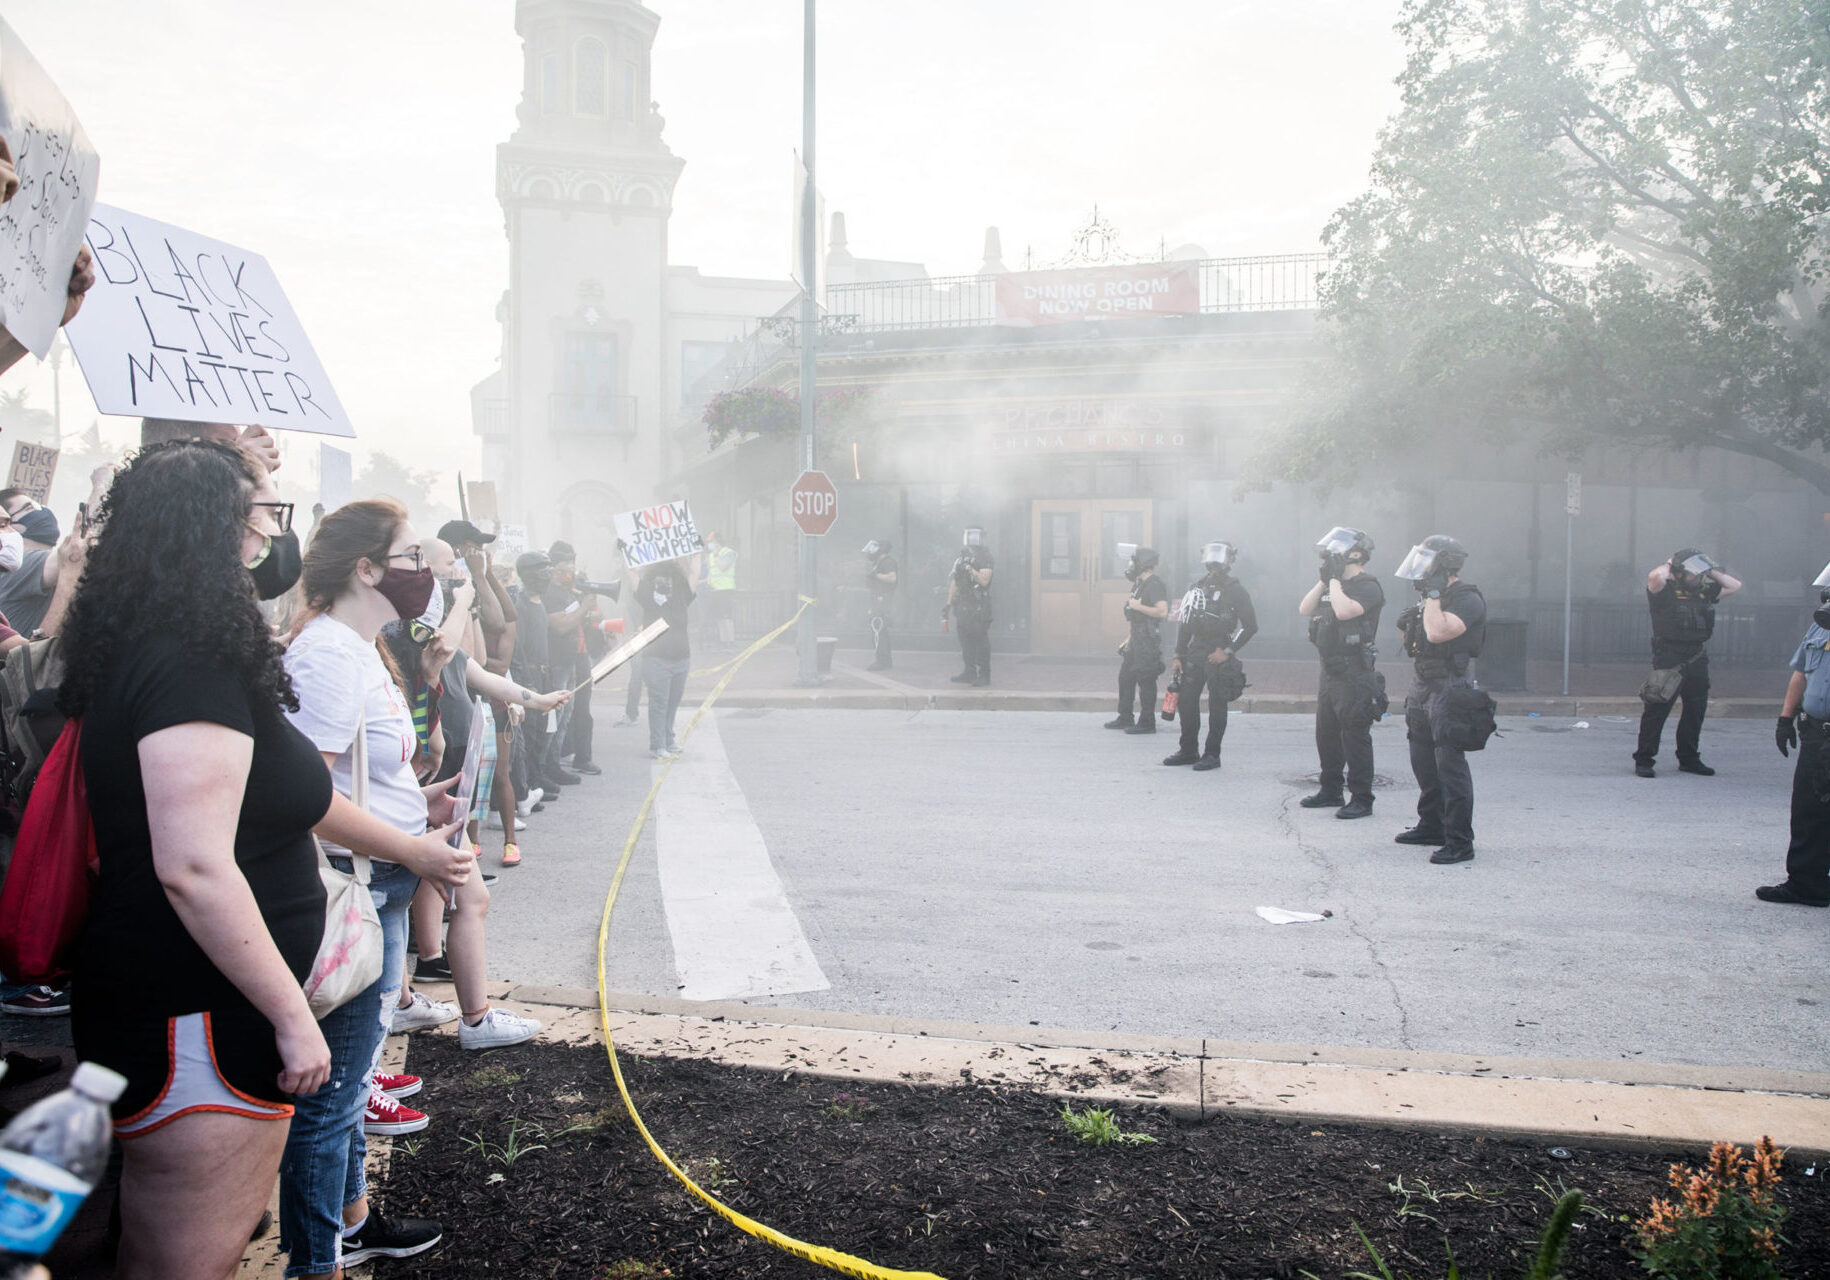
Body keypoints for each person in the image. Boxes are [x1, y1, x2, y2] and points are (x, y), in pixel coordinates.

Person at [59, 440, 330, 1279]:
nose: (269, 537)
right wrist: (292, 1015)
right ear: (220, 527)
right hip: (199, 1019)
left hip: (180, 1010)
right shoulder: (188, 654)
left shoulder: (149, 636)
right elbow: (194, 866)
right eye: (263, 514)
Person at [279, 499, 518, 1277]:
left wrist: (425, 805)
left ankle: (353, 1222)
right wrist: (413, 848)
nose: (431, 570)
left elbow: (366, 776)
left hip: (380, 879)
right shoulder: (327, 655)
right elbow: (305, 794)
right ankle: (316, 1258)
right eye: (414, 556)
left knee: (349, 1085)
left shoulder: (363, 645)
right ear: (368, 569)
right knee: (332, 1097)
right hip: (353, 886)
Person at [1392, 535, 1488, 865]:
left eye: (1427, 561)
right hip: (1423, 684)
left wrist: (1433, 596)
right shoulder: (1430, 598)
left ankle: (1460, 841)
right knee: (1423, 760)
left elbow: (1438, 633)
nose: (1421, 570)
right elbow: (1415, 644)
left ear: (1445, 564)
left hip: (1450, 686)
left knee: (1450, 765)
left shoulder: (1466, 598)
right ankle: (1431, 825)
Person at [1297, 527, 1386, 818]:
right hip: (1330, 671)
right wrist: (1325, 580)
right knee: (1327, 734)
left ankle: (1362, 798)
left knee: (1355, 736)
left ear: (1356, 554)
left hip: (1354, 672)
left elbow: (1346, 612)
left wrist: (1334, 580)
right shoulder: (1331, 584)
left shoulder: (1367, 585)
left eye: (1338, 551)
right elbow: (1305, 608)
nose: (1331, 556)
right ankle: (1330, 790)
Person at [1757, 562, 1830, 908]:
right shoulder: (1820, 628)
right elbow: (1801, 673)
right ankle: (1807, 883)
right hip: (1817, 733)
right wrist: (1786, 718)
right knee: (1809, 809)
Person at [1634, 548, 1742, 778]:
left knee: (1695, 710)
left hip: (1696, 657)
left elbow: (1734, 586)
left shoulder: (1704, 592)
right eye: (1693, 573)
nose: (1698, 577)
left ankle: (1689, 758)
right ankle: (1644, 759)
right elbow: (1655, 577)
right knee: (1657, 708)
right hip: (1669, 657)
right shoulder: (1664, 592)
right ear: (1680, 573)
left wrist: (1708, 569)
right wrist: (1672, 563)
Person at [1164, 542, 1257, 771]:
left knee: (1217, 704)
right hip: (1196, 651)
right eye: (1210, 558)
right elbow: (1184, 623)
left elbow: (1250, 626)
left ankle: (1212, 754)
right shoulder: (1195, 587)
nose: (1213, 563)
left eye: (1219, 558)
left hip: (1219, 650)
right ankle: (1188, 750)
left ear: (1228, 561)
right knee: (1186, 701)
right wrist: (1178, 654)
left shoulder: (1236, 590)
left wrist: (1227, 651)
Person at [509, 550, 574, 791]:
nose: (547, 576)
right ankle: (529, 783)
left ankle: (538, 775)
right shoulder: (521, 604)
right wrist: (527, 680)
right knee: (532, 731)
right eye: (542, 571)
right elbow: (519, 648)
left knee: (545, 729)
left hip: (545, 672)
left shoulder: (541, 603)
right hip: (530, 676)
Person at [545, 541, 601, 776]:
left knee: (580, 710)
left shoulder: (571, 590)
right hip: (561, 658)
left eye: (572, 563)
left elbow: (593, 615)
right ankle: (550, 764)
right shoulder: (550, 592)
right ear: (555, 568)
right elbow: (560, 625)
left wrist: (590, 605)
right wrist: (583, 607)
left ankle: (581, 756)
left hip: (579, 654)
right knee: (560, 713)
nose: (571, 569)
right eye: (566, 564)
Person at [635, 558, 695, 758]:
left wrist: (696, 555)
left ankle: (668, 739)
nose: (665, 584)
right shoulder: (647, 595)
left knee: (673, 701)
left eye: (668, 581)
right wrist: (626, 557)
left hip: (681, 657)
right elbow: (634, 578)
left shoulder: (681, 593)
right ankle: (657, 744)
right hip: (656, 657)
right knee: (659, 701)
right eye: (661, 581)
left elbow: (693, 576)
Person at [1106, 546, 1169, 735]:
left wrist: (1139, 606)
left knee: (1146, 679)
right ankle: (1125, 716)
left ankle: (1147, 722)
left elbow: (1162, 611)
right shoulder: (1139, 584)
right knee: (1125, 677)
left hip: (1148, 641)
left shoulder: (1154, 584)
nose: (1131, 566)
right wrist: (1129, 638)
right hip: (1136, 638)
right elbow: (1133, 614)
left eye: (1134, 562)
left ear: (1143, 564)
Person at [945, 527, 995, 687]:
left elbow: (984, 581)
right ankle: (969, 671)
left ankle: (984, 674)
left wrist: (970, 569)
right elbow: (955, 582)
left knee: (980, 640)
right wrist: (948, 603)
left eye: (974, 536)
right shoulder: (960, 558)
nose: (971, 539)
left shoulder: (985, 557)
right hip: (963, 606)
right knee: (965, 641)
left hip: (979, 606)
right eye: (969, 535)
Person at [862, 538, 898, 671]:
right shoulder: (879, 563)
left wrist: (876, 575)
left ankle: (882, 661)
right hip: (878, 600)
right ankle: (884, 660)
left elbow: (892, 577)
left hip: (883, 600)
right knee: (880, 630)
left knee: (878, 629)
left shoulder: (888, 562)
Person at [700, 530, 737, 646]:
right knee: (719, 618)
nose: (709, 545)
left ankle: (730, 642)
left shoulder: (729, 553)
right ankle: (723, 641)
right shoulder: (710, 556)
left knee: (726, 617)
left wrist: (716, 555)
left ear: (717, 542)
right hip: (714, 590)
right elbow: (711, 574)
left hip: (725, 589)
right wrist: (702, 582)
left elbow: (722, 567)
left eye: (711, 542)